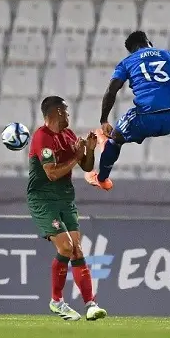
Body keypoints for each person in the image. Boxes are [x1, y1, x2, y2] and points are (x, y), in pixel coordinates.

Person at [85, 30, 170, 190]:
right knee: (123, 132)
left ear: (132, 49)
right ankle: (113, 142)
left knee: (115, 138)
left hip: (146, 116)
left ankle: (102, 178)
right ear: (149, 43)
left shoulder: (128, 61)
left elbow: (111, 91)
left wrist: (104, 120)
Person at [27, 95, 107, 322]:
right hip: (43, 200)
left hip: (65, 199)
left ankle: (91, 304)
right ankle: (56, 301)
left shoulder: (69, 135)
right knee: (66, 247)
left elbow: (87, 166)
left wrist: (88, 151)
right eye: (66, 111)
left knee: (77, 250)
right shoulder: (42, 138)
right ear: (58, 112)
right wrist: (77, 157)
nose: (69, 116)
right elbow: (51, 174)